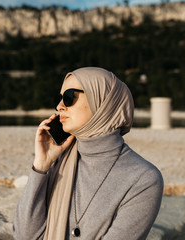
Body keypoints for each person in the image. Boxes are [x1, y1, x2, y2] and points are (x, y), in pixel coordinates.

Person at [13, 67, 164, 240]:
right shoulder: (59, 161)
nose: (59, 106)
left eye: (69, 97)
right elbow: (24, 236)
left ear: (103, 101)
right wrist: (41, 166)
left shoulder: (143, 179)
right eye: (59, 98)